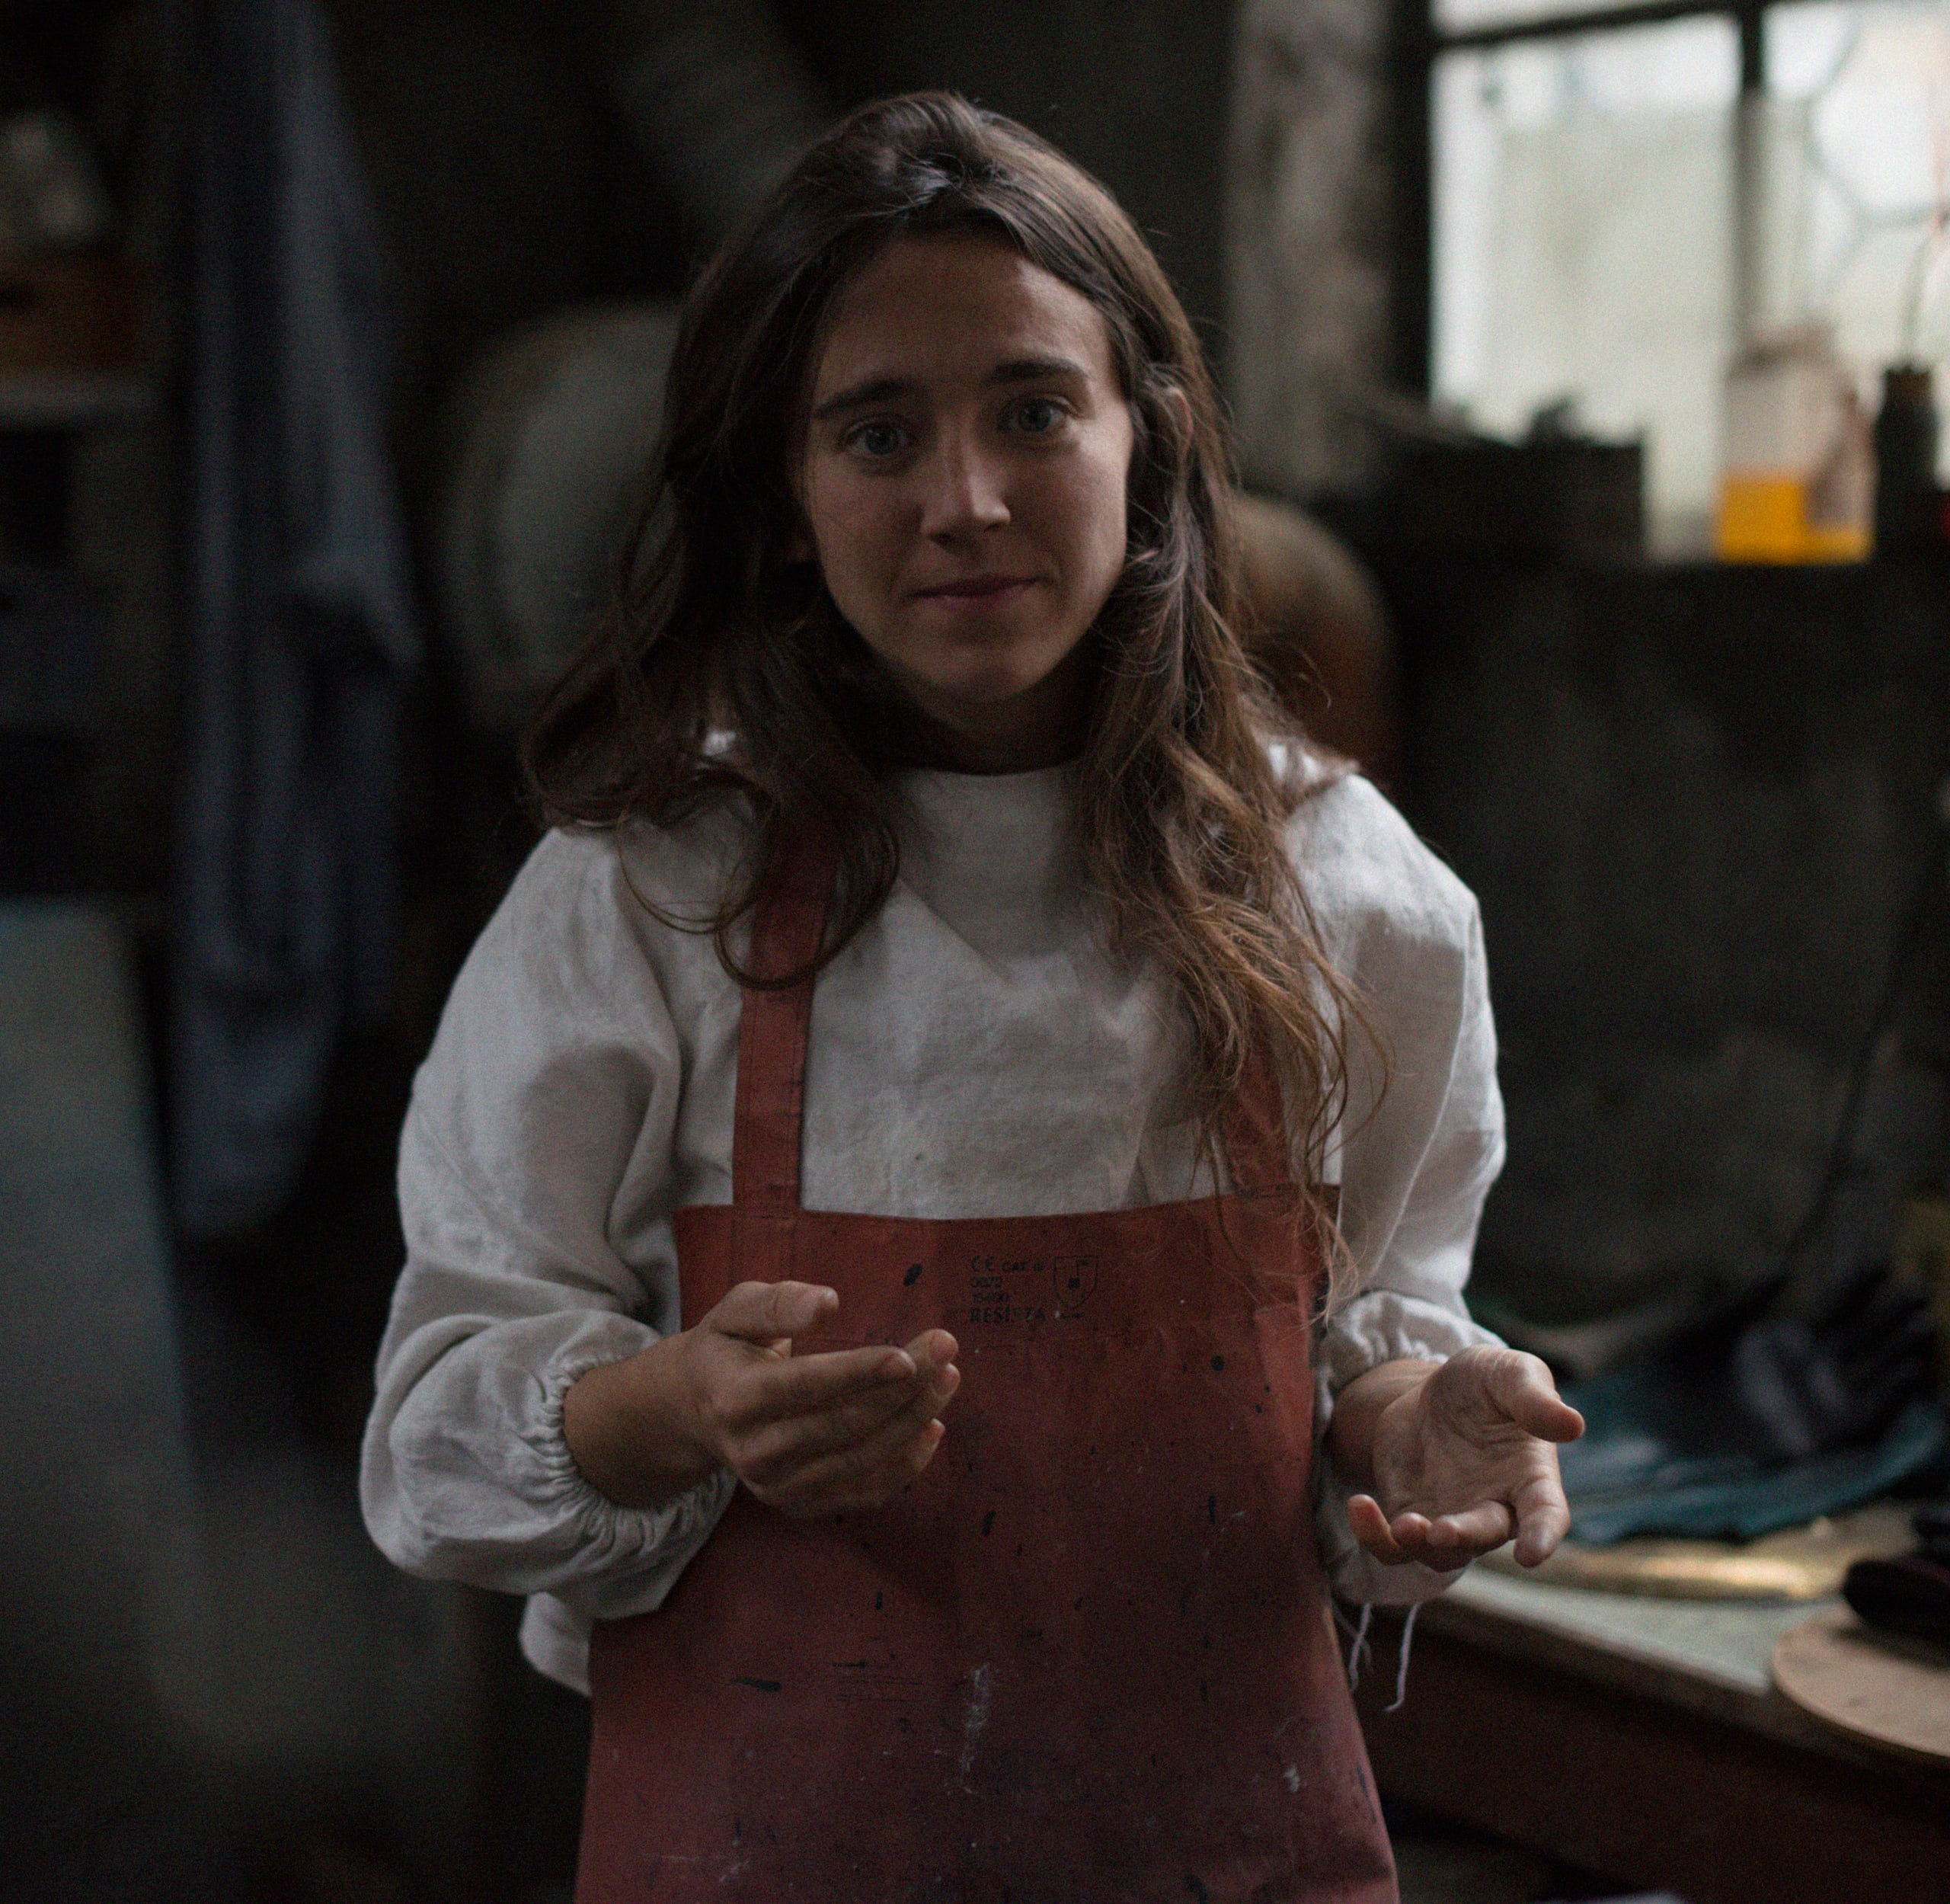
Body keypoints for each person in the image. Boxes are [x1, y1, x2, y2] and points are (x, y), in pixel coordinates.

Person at [361, 91, 1584, 1902]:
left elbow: (1369, 1323)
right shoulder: (646, 891)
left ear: (1143, 440)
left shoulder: (1345, 890)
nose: (965, 503)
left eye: (1031, 410)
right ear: (782, 501)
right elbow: (438, 1434)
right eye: (876, 433)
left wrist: (1410, 1421)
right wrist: (677, 1406)